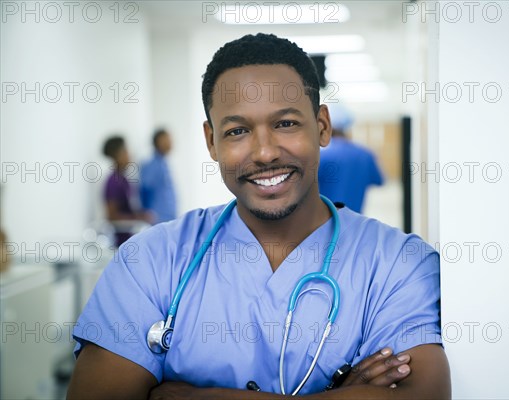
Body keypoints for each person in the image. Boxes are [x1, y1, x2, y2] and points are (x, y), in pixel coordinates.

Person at [68, 34, 450, 399]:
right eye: (237, 130)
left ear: (322, 126)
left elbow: (426, 396)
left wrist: (206, 397)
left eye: (285, 123)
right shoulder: (149, 260)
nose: (265, 153)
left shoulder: (401, 263)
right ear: (212, 141)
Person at [318, 103, 384, 213]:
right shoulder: (365, 154)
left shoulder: (321, 155)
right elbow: (379, 181)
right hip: (355, 221)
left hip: (326, 222)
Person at [102, 136, 152, 246]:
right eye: (126, 151)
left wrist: (141, 216)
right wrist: (137, 218)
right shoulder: (113, 182)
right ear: (118, 155)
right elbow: (112, 216)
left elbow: (128, 209)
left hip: (129, 238)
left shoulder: (123, 180)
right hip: (119, 242)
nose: (129, 155)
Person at [140, 128, 177, 224]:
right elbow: (144, 191)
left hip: (169, 218)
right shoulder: (150, 165)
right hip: (157, 221)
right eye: (167, 140)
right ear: (159, 142)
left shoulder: (163, 163)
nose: (170, 143)